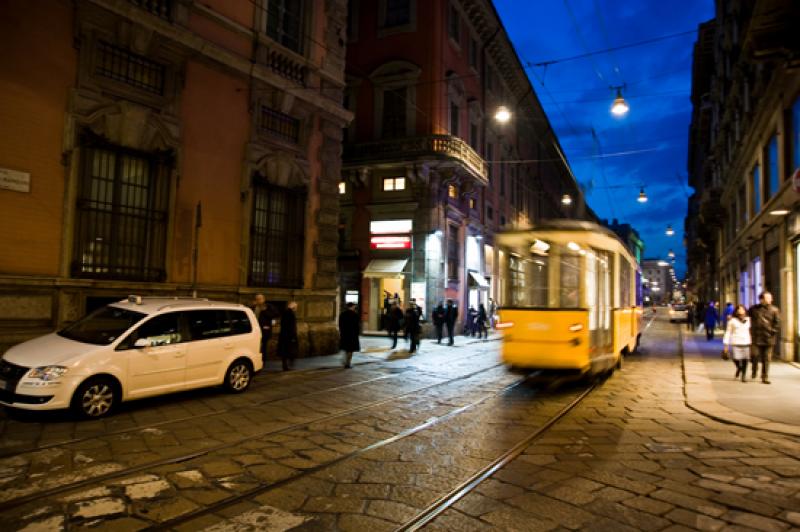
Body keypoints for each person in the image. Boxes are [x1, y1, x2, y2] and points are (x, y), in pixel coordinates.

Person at [749, 291, 780, 384]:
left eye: (770, 298)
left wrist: (773, 331)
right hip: (756, 337)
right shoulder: (754, 309)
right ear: (761, 299)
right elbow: (747, 317)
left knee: (766, 358)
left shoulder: (774, 310)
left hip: (768, 338)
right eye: (768, 298)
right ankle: (754, 368)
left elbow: (777, 322)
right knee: (754, 355)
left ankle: (764, 376)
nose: (770, 299)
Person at [723, 304, 751, 382]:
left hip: (746, 341)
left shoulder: (748, 320)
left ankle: (743, 376)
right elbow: (728, 332)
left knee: (746, 359)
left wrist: (752, 341)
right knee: (735, 358)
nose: (741, 311)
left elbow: (750, 331)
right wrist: (726, 344)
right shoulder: (732, 321)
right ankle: (739, 368)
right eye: (739, 309)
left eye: (742, 309)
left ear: (745, 310)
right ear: (736, 311)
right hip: (736, 342)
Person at [251, 294, 273, 365]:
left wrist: (265, 310)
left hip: (264, 330)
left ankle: (263, 361)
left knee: (263, 347)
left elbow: (274, 315)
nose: (258, 301)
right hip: (254, 330)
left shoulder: (268, 306)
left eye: (260, 299)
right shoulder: (253, 307)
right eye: (257, 299)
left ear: (263, 299)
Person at [277, 301, 298, 371]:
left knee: (285, 352)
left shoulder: (285, 312)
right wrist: (293, 336)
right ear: (293, 307)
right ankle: (288, 365)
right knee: (290, 350)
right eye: (296, 308)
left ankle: (285, 365)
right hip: (289, 336)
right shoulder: (291, 314)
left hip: (283, 335)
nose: (296, 309)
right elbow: (292, 326)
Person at [338, 303, 360, 369]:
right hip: (352, 335)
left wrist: (341, 332)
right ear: (352, 307)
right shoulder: (355, 314)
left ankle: (344, 360)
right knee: (350, 350)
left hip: (344, 334)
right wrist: (357, 333)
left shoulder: (342, 314)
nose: (355, 307)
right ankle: (348, 363)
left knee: (345, 348)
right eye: (354, 306)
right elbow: (357, 326)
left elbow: (340, 324)